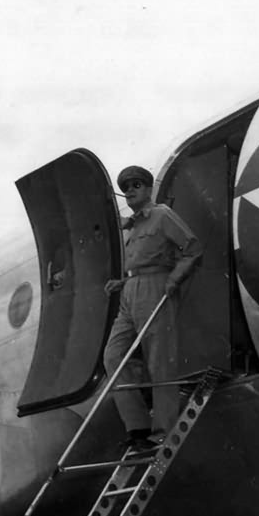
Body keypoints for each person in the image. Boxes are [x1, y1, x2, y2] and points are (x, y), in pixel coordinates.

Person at [103, 165, 203, 452]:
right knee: (113, 356)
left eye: (137, 184)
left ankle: (163, 431)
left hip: (155, 288)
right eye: (127, 186)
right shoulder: (133, 225)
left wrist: (173, 279)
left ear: (148, 189)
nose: (131, 190)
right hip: (130, 292)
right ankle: (137, 427)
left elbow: (193, 248)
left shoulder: (161, 215)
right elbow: (139, 263)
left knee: (159, 360)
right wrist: (121, 283)